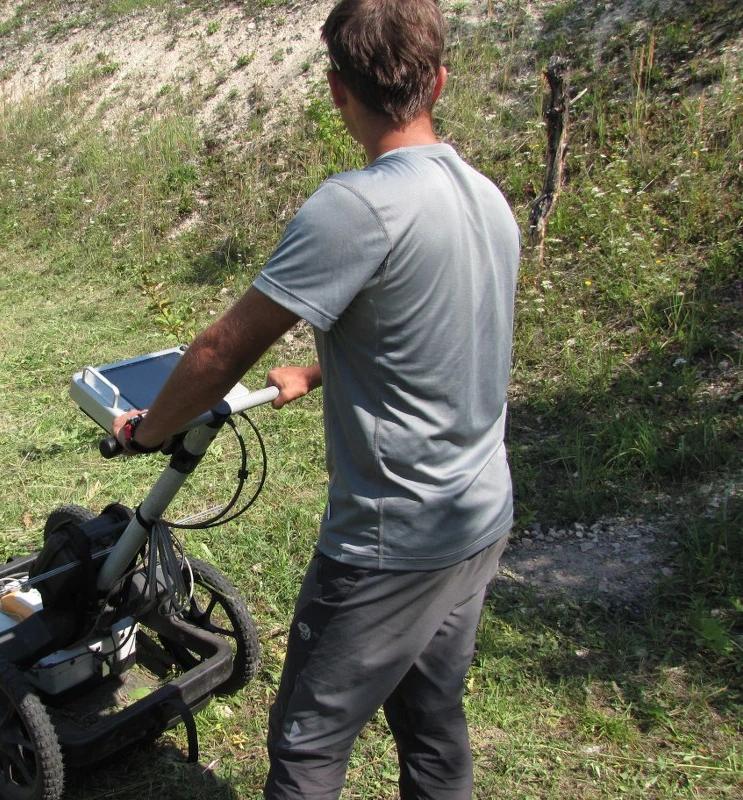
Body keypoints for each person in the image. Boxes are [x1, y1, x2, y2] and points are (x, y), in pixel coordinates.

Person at [111, 0, 520, 797]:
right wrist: (318, 370)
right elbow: (435, 322)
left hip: (388, 541)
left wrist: (151, 430)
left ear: (337, 92)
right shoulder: (483, 196)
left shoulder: (357, 205)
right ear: (438, 80)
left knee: (307, 741)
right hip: (476, 517)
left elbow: (223, 348)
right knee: (432, 724)